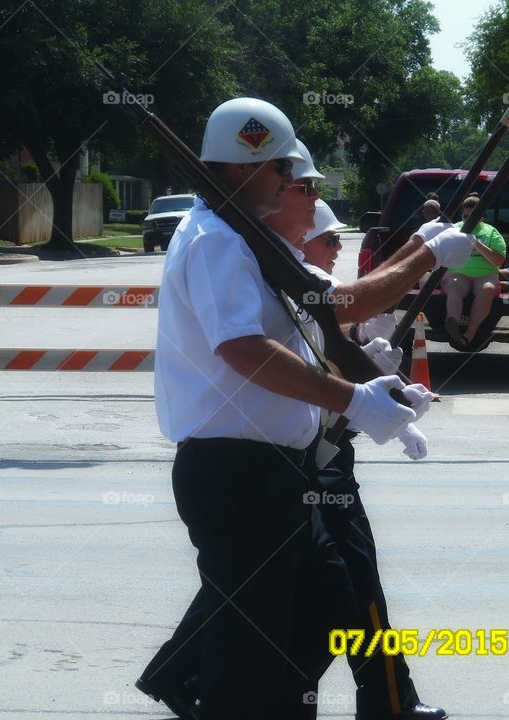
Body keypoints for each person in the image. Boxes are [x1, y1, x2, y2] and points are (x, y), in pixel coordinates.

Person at [141, 137, 466, 720]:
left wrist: (379, 387)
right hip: (238, 472)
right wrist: (422, 255)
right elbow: (247, 348)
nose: (307, 190)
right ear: (246, 167)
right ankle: (209, 685)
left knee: (324, 600)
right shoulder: (220, 241)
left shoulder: (250, 239)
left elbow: (331, 316)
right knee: (254, 650)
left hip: (279, 470)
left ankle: (199, 679)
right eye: (294, 176)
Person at [440, 194, 506, 350]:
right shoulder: (453, 229)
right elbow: (440, 253)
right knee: (454, 286)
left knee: (488, 289)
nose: (468, 220)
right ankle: (453, 323)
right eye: (465, 216)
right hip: (457, 274)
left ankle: (468, 335)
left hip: (485, 275)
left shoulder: (491, 232)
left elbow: (498, 261)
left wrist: (476, 244)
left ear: (482, 216)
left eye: (473, 216)